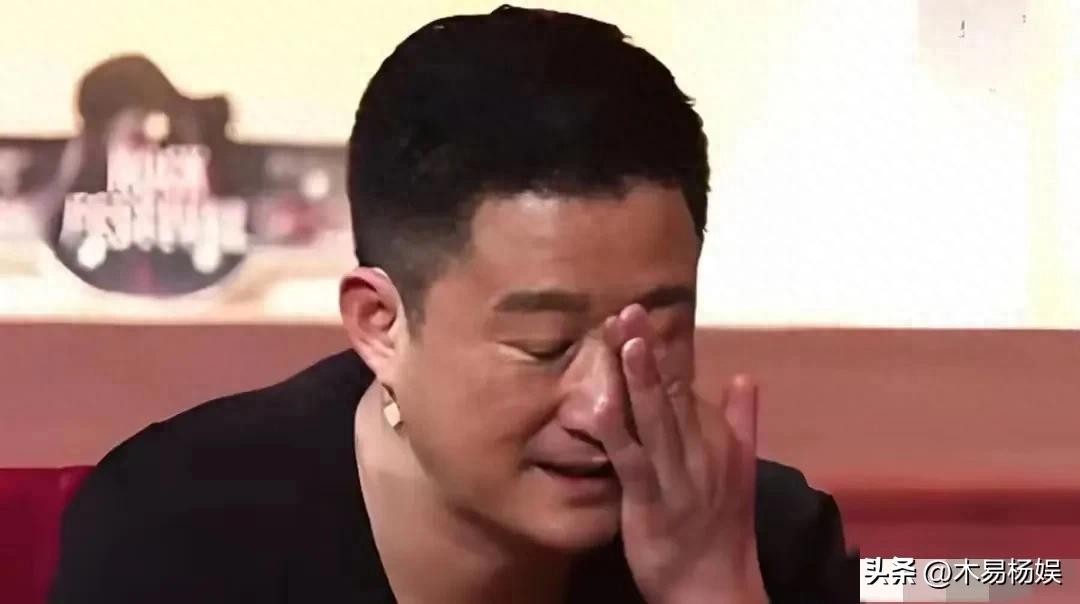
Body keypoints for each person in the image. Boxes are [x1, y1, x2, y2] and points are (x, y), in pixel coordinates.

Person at [50, 6, 857, 603]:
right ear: (381, 324)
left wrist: (712, 592)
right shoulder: (176, 534)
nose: (605, 407)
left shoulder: (758, 535)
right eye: (544, 344)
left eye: (654, 336)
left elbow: (932, 582)